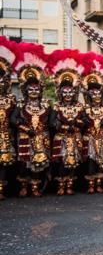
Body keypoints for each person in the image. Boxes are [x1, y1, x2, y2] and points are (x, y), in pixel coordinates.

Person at [11, 44, 52, 198]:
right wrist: (26, 129)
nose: (34, 91)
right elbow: (14, 119)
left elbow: (51, 120)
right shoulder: (21, 104)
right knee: (24, 164)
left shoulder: (46, 105)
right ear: (25, 90)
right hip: (25, 137)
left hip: (41, 138)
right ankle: (23, 187)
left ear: (40, 90)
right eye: (30, 89)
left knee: (38, 164)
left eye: (36, 89)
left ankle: (35, 187)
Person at [48, 50, 86, 196]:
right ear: (60, 92)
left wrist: (76, 123)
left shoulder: (79, 107)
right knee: (62, 162)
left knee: (74, 162)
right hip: (62, 138)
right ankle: (60, 185)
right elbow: (52, 122)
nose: (68, 95)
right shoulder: (56, 106)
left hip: (75, 138)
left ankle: (69, 185)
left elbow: (84, 121)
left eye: (71, 92)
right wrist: (63, 126)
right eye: (65, 92)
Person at [80, 56, 103, 195]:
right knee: (91, 161)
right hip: (89, 138)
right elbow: (81, 122)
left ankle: (99, 184)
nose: (95, 94)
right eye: (92, 92)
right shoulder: (85, 109)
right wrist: (86, 122)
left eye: (98, 92)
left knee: (102, 161)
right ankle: (91, 185)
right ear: (88, 94)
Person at [0, 37, 17, 200]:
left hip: (5, 136)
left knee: (4, 160)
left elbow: (15, 118)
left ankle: (2, 188)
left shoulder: (11, 100)